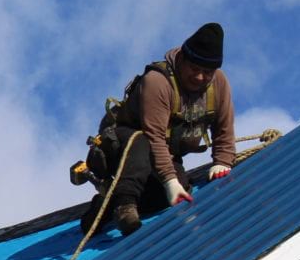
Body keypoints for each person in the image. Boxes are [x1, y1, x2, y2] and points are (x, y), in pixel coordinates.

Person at [93, 22, 239, 236]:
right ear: (182, 60)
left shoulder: (218, 84)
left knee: (175, 193)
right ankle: (124, 206)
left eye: (207, 72)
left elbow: (224, 127)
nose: (200, 77)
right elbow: (154, 137)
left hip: (162, 157)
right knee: (140, 141)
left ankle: (104, 206)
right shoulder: (158, 82)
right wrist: (169, 180)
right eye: (195, 69)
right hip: (126, 149)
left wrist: (223, 162)